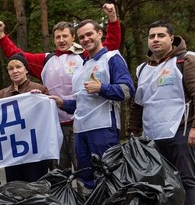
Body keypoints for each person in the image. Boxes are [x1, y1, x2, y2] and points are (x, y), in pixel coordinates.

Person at [0, 3, 122, 170]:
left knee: (86, 170)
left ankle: (86, 196)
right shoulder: (46, 60)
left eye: (65, 36)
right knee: (60, 173)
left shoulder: (86, 56)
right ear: (53, 39)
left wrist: (112, 19)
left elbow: (111, 44)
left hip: (82, 123)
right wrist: (1, 35)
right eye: (57, 37)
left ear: (73, 37)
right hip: (54, 125)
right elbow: (17, 56)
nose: (61, 40)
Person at [127, 21, 195, 205]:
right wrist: (133, 129)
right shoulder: (142, 69)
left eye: (160, 35)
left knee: (187, 179)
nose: (155, 40)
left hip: (181, 131)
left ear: (171, 39)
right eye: (151, 36)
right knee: (161, 182)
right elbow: (138, 103)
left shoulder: (187, 61)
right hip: (152, 136)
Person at [49, 19, 134, 191]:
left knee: (108, 174)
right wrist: (62, 103)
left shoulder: (112, 58)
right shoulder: (82, 67)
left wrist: (102, 87)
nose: (86, 39)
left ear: (100, 33)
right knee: (85, 177)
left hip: (103, 128)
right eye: (81, 37)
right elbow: (81, 103)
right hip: (80, 130)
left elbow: (127, 90)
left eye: (89, 34)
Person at [0, 55, 51, 183]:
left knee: (36, 188)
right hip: (12, 151)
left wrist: (41, 100)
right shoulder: (2, 94)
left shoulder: (40, 89)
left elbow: (49, 117)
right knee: (15, 189)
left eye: (18, 67)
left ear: (26, 70)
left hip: (35, 150)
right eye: (11, 68)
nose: (15, 71)